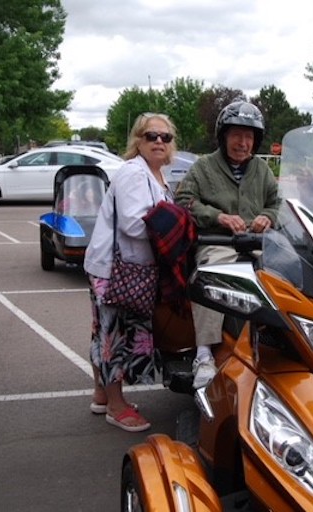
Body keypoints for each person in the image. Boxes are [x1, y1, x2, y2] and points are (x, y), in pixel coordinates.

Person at [83, 112, 178, 431]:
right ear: (138, 141)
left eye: (165, 137)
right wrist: (178, 225)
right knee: (114, 336)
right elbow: (136, 223)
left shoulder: (157, 176)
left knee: (105, 331)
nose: (159, 142)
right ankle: (116, 405)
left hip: (131, 270)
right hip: (116, 270)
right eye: (151, 136)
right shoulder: (133, 174)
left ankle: (101, 394)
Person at [176, 101, 280, 388]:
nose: (243, 143)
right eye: (237, 135)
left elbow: (277, 203)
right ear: (223, 135)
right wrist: (218, 217)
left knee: (285, 274)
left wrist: (267, 217)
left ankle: (280, 346)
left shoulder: (262, 170)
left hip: (256, 242)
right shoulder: (203, 167)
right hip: (217, 241)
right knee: (213, 276)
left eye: (249, 137)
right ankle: (204, 353)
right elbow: (183, 201)